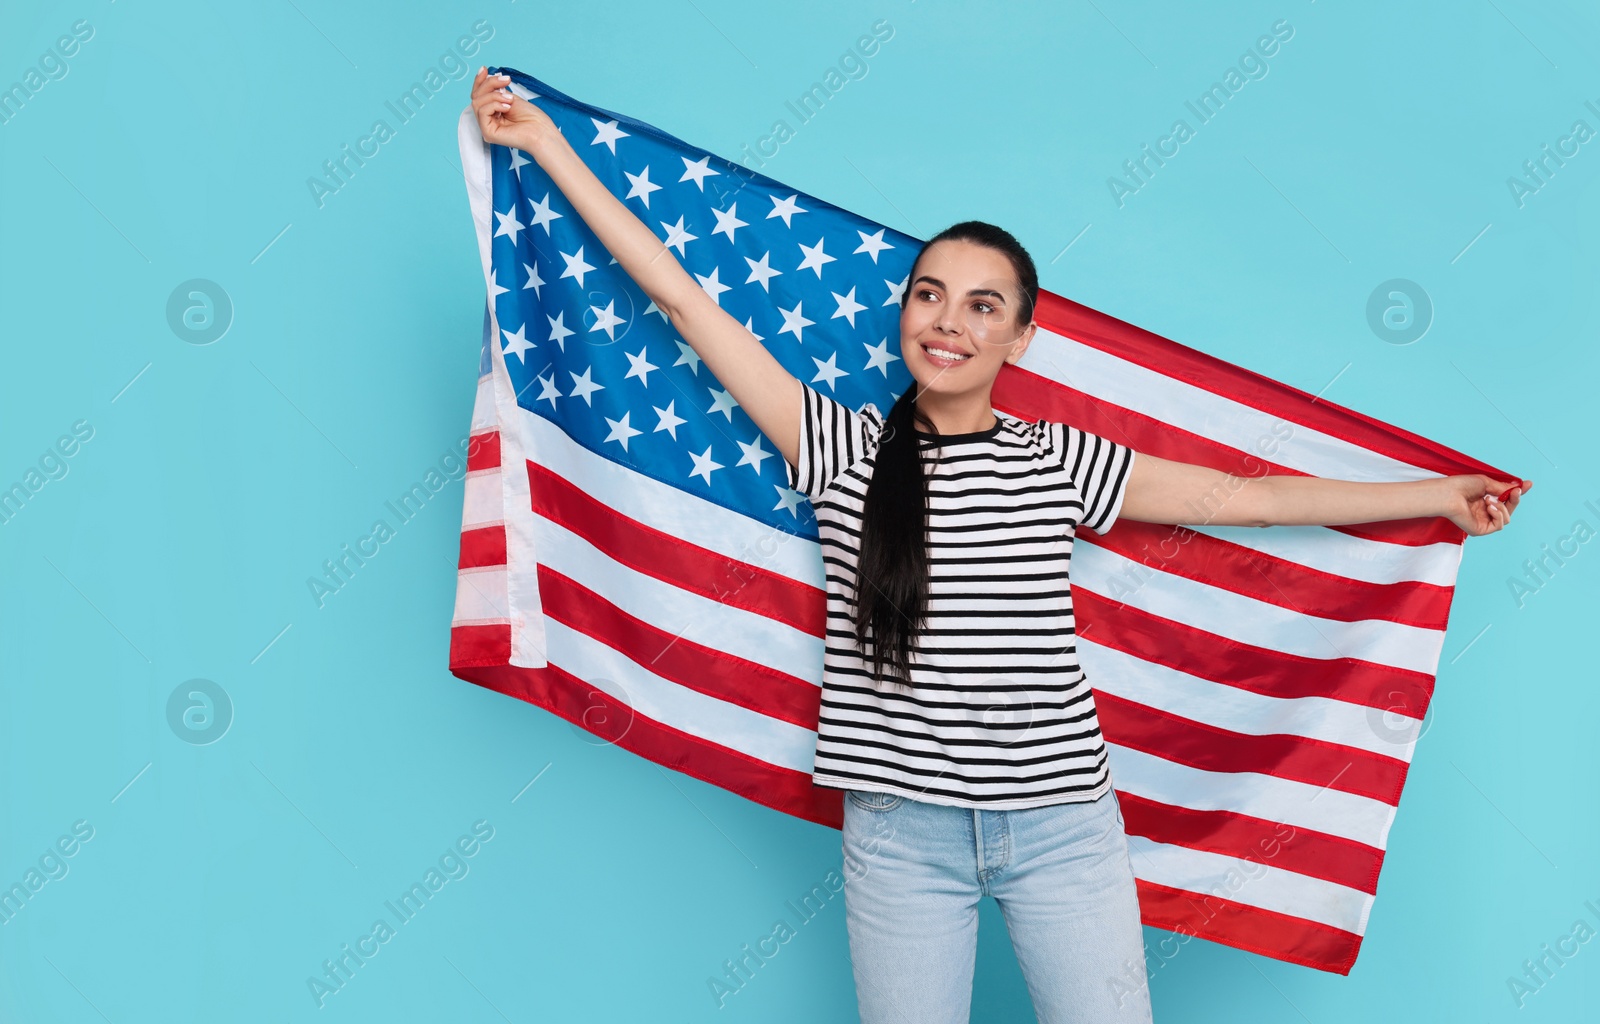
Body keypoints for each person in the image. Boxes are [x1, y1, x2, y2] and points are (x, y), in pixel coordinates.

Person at [469, 68, 1530, 1024]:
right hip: (898, 839)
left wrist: (1434, 495)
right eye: (930, 295)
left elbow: (1232, 496)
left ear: (1019, 337)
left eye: (982, 306)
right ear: (905, 314)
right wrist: (546, 144)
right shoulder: (834, 442)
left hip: (1066, 828)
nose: (948, 321)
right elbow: (683, 304)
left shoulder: (1059, 459)